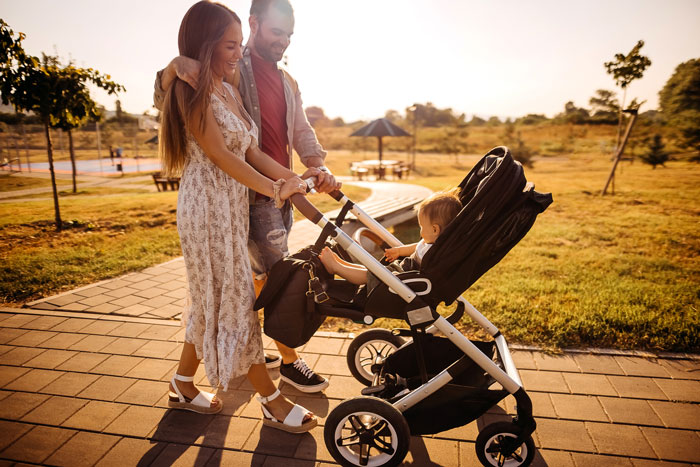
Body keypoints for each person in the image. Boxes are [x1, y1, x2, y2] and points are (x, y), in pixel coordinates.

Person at [154, 0, 339, 393]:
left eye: (289, 34)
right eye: (276, 32)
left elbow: (291, 135)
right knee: (269, 282)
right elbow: (172, 100)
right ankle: (285, 369)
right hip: (234, 200)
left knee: (236, 288)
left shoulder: (284, 80)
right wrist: (173, 66)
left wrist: (311, 171)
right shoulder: (230, 70)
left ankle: (183, 380)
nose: (283, 41)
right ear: (254, 23)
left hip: (261, 197)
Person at [319, 190, 462, 285]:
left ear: (435, 229)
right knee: (373, 270)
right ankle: (342, 264)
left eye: (421, 227)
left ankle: (337, 268)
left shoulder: (435, 253)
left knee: (369, 276)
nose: (420, 232)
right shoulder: (433, 244)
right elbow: (417, 246)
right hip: (402, 271)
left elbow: (420, 251)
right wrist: (400, 251)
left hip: (404, 279)